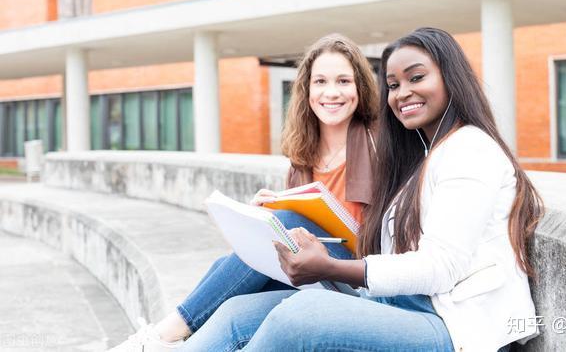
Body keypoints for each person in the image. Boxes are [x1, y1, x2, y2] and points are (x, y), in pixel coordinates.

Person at [180, 27, 544, 352]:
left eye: (416, 77)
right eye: (394, 85)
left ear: (451, 78)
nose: (404, 92)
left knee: (298, 316)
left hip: (453, 326)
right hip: (401, 303)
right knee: (237, 314)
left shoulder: (470, 148)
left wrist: (330, 268)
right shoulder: (427, 156)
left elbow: (441, 268)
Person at [110, 33, 378, 351]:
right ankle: (167, 340)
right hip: (309, 278)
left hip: (353, 277)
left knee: (284, 222)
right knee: (230, 297)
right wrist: (267, 216)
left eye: (343, 81)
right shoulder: (302, 156)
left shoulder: (381, 144)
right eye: (320, 81)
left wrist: (282, 218)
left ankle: (164, 333)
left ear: (360, 87)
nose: (331, 92)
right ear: (307, 90)